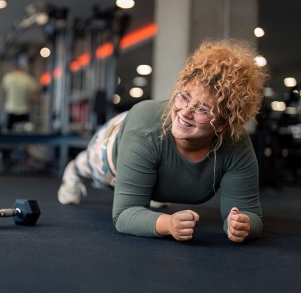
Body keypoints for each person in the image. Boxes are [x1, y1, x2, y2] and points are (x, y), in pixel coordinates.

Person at [57, 39, 269, 243]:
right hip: (119, 137)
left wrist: (242, 225)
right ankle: (72, 172)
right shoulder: (145, 127)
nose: (185, 112)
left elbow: (250, 215)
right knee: (87, 165)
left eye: (203, 109)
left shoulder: (236, 143)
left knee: (148, 178)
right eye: (184, 97)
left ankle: (151, 187)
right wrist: (167, 223)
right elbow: (123, 214)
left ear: (223, 125)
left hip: (150, 142)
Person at [2, 64, 39, 131]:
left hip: (11, 108)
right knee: (27, 129)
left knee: (8, 130)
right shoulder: (27, 78)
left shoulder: (7, 78)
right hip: (23, 109)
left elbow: (4, 90)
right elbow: (33, 95)